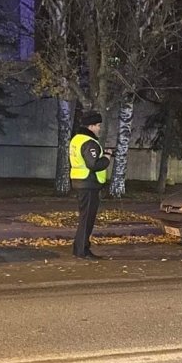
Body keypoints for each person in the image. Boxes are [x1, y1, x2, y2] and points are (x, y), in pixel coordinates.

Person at [69, 111, 113, 260]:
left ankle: (79, 248)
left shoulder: (76, 139)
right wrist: (107, 157)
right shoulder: (89, 142)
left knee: (85, 217)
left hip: (81, 182)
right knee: (87, 219)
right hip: (88, 183)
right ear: (91, 126)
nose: (99, 128)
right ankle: (82, 250)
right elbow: (93, 164)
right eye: (98, 125)